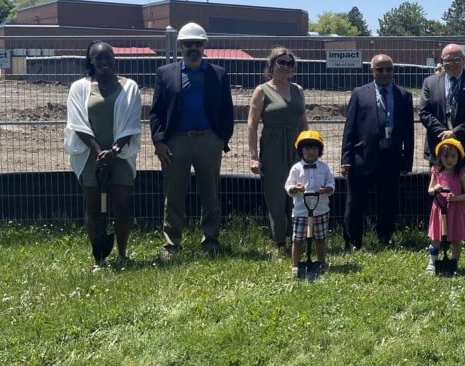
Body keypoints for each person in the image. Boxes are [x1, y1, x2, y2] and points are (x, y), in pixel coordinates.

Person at [150, 22, 234, 259]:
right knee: (174, 194)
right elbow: (156, 111)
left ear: (205, 46)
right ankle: (171, 244)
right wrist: (159, 141)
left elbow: (227, 110)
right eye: (188, 44)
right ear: (180, 46)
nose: (193, 48)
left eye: (198, 43)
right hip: (175, 142)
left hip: (208, 140)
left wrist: (221, 139)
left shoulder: (218, 74)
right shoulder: (165, 73)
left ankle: (210, 240)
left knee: (210, 192)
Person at [64, 41, 142, 271]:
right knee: (93, 207)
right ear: (91, 61)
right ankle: (99, 258)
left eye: (108, 57)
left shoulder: (130, 87)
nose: (104, 62)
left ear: (114, 59)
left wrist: (114, 151)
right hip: (89, 155)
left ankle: (122, 254)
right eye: (99, 58)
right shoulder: (79, 88)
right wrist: (100, 153)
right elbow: (76, 122)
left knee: (121, 205)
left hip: (121, 155)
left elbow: (131, 123)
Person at [341, 54, 415, 248]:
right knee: (355, 202)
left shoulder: (404, 95)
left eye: (388, 69)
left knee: (388, 201)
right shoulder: (359, 93)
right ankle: (353, 241)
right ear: (371, 71)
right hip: (362, 158)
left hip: (390, 157)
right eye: (379, 69)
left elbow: (409, 132)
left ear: (393, 70)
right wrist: (346, 159)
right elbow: (349, 129)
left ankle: (385, 238)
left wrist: (406, 162)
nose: (384, 73)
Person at [419, 43, 465, 240]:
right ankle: (440, 235)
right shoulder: (430, 82)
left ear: (463, 60)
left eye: (456, 59)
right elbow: (424, 112)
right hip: (439, 149)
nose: (452, 63)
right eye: (447, 60)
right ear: (442, 61)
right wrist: (443, 132)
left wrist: (456, 132)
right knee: (440, 193)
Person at [247, 47, 308, 257]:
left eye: (289, 63)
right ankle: (280, 243)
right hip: (272, 146)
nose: (285, 67)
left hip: (296, 145)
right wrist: (254, 157)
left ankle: (297, 240)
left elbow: (303, 122)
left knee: (298, 193)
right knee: (275, 195)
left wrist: (310, 152)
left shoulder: (298, 90)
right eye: (281, 62)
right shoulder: (262, 90)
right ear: (271, 65)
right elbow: (252, 125)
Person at [285, 130, 335, 277]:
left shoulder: (324, 168)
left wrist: (327, 189)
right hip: (301, 211)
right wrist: (294, 188)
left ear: (319, 150)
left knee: (320, 238)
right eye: (307, 148)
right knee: (298, 239)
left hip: (320, 210)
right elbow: (288, 186)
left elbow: (331, 184)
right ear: (301, 150)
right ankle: (295, 265)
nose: (310, 151)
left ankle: (321, 262)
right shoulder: (296, 169)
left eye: (314, 148)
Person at [426, 138, 465, 274]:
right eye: (445, 156)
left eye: (453, 156)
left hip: (456, 210)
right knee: (436, 238)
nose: (449, 160)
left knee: (456, 239)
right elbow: (430, 191)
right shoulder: (437, 172)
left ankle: (453, 263)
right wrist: (436, 188)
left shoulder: (461, 174)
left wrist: (456, 198)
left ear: (458, 157)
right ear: (440, 157)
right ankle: (432, 262)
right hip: (439, 209)